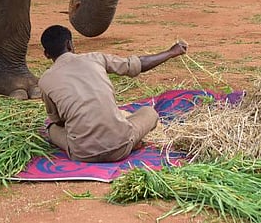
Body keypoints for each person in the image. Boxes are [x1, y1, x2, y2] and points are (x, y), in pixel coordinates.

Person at [38, 25, 188, 163]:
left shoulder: (45, 80)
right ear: (70, 45)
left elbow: (58, 121)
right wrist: (171, 52)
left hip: (82, 154)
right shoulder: (96, 58)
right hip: (121, 147)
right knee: (149, 112)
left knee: (50, 128)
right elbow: (139, 64)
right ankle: (132, 141)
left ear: (46, 54)